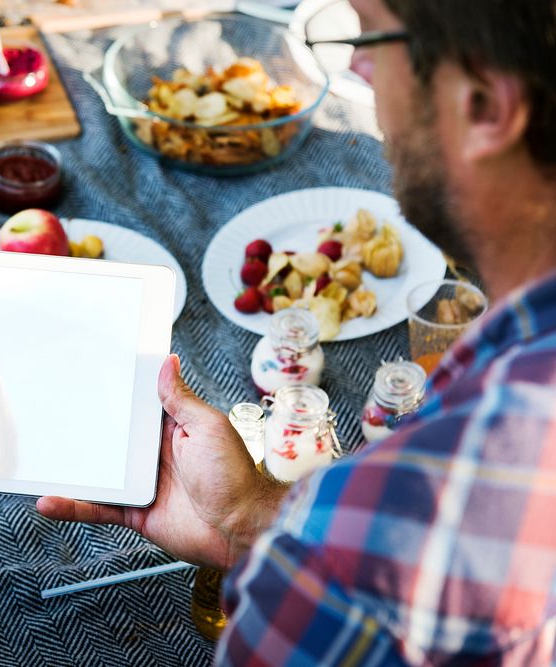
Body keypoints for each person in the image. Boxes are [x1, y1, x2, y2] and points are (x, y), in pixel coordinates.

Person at [39, 0, 556, 663]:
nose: (360, 71)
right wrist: (253, 516)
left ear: (484, 106)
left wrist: (314, 549)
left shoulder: (367, 556)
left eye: (373, 36)